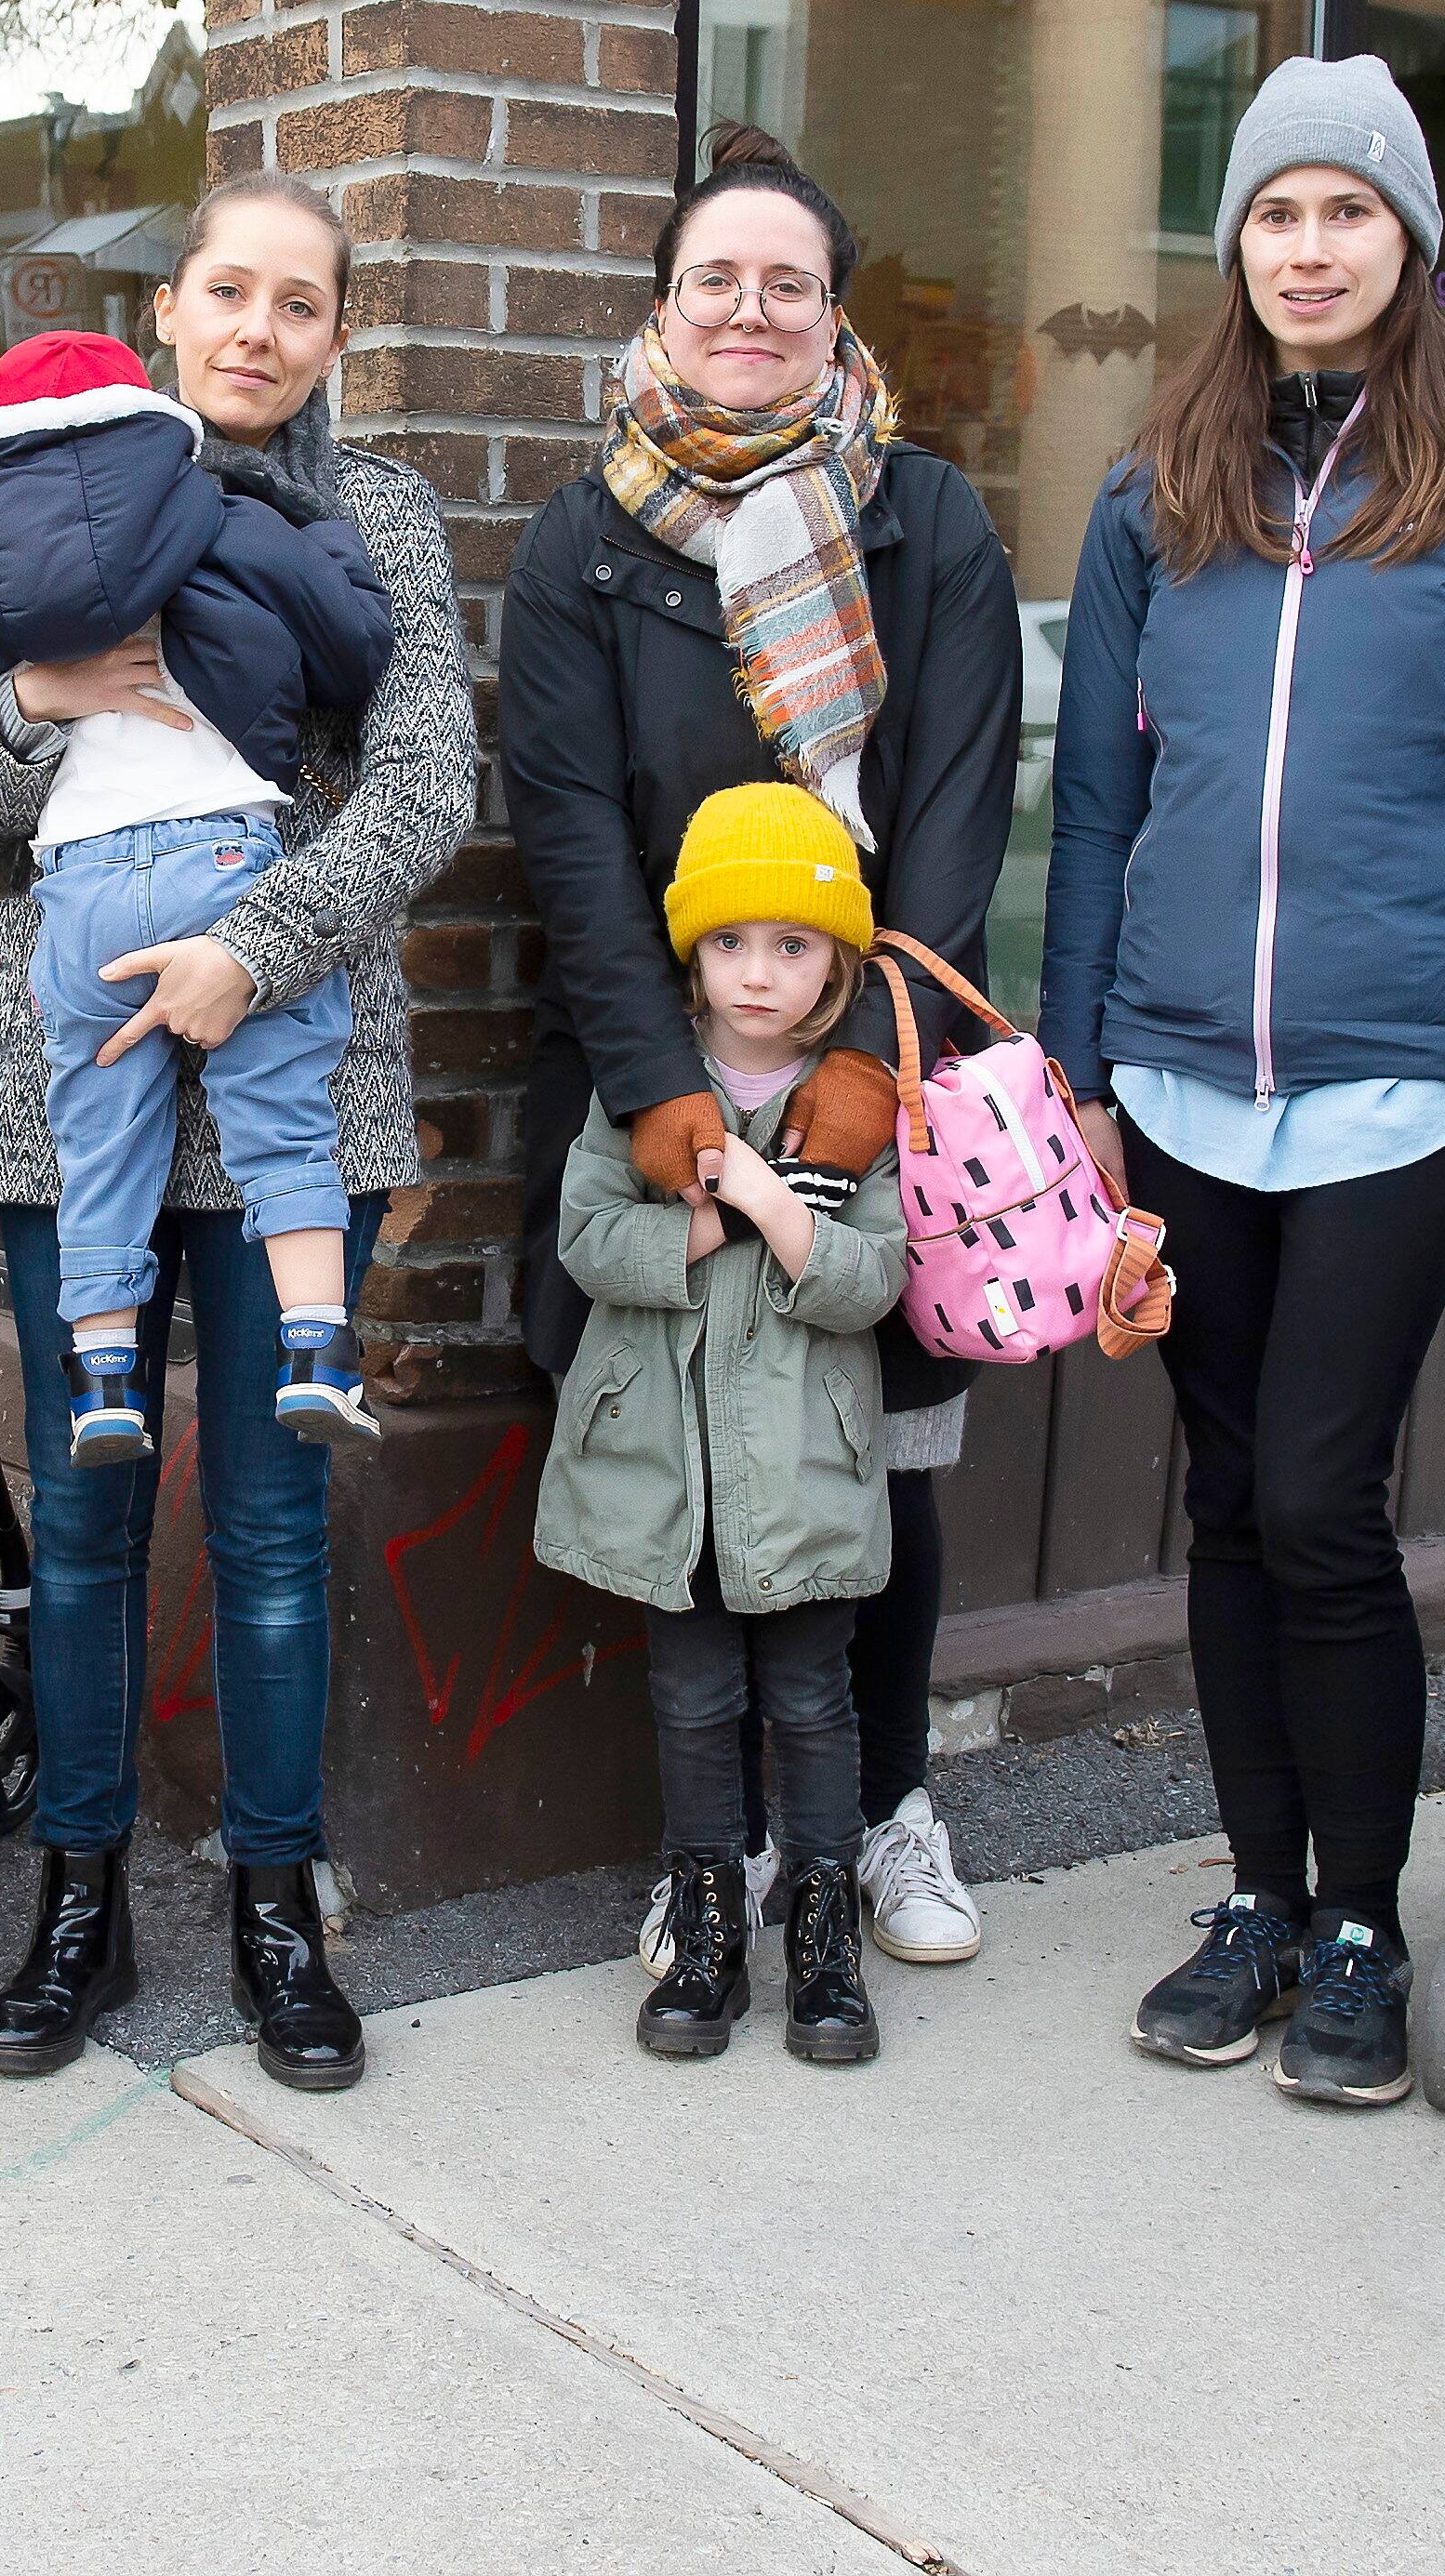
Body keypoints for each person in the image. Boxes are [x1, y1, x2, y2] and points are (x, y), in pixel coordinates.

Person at [1042, 56, 1445, 2108]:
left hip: (1399, 1073)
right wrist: (1073, 1078)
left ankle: (1355, 1916)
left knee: (1320, 1496)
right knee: (1227, 1497)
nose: (1308, 248)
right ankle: (1251, 1891)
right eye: (1274, 213)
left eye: (1347, 211)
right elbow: (1106, 810)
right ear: (1235, 243)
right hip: (1183, 1083)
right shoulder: (1157, 493)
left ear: (1408, 240)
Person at [0, 172, 477, 2094]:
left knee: (265, 1521)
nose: (256, 327)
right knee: (75, 1519)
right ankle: (78, 1902)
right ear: (171, 306)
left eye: (298, 303)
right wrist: (36, 707)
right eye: (227, 289)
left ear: (333, 333)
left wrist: (252, 947)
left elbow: (422, 788)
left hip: (293, 1084)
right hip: (76, 1092)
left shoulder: (374, 512)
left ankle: (270, 1906)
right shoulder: (40, 479)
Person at [501, 119, 1020, 1974]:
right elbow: (564, 830)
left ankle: (877, 1813)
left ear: (831, 314)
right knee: (698, 1477)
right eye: (714, 275)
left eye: (785, 282)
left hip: (870, 1078)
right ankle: (706, 1857)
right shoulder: (585, 539)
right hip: (656, 1071)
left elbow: (958, 801)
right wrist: (661, 1092)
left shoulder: (926, 516)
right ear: (665, 300)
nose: (749, 307)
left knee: (877, 1456)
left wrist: (872, 1065)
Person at [0, 328, 392, 1457]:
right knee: (282, 1113)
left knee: (96, 1136)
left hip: (79, 887)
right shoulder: (213, 508)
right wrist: (327, 552)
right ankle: (319, 1346)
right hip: (221, 857)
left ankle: (102, 1374)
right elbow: (349, 649)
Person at [537, 786, 911, 2065]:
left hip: (807, 1463)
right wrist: (709, 1218)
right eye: (730, 943)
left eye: (793, 945)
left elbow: (877, 1280)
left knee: (812, 1699)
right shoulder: (648, 1090)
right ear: (689, 953)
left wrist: (771, 1195)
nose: (759, 975)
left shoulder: (857, 1104)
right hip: (670, 1466)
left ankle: (822, 1936)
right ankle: (704, 1923)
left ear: (837, 961)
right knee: (693, 1698)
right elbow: (586, 1238)